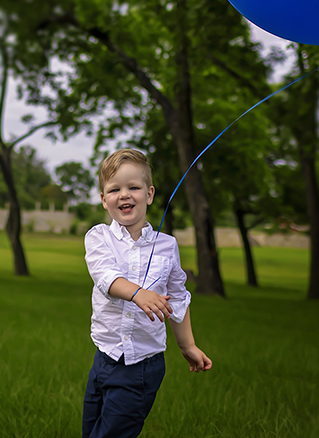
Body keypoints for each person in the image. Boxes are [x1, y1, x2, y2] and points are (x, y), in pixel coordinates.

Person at [82, 148, 213, 438]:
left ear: (150, 194)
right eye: (114, 189)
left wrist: (187, 345)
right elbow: (105, 277)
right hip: (104, 359)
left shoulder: (167, 246)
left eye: (133, 187)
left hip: (141, 368)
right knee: (91, 431)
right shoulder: (98, 237)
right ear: (104, 200)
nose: (124, 195)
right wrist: (138, 293)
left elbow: (177, 298)